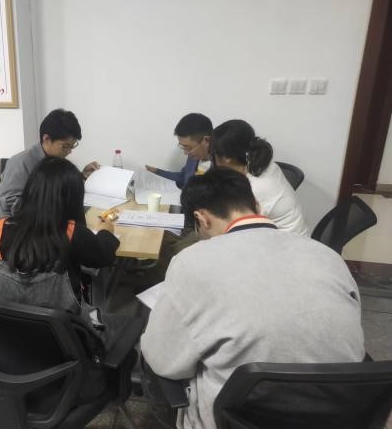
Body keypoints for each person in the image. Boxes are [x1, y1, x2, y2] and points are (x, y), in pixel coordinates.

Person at [141, 168, 365, 429]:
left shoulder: (192, 261)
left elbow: (164, 361)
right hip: (336, 415)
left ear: (201, 219)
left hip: (235, 419)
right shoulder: (328, 256)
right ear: (257, 206)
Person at [0, 156, 120, 342]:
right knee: (118, 328)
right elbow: (104, 256)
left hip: (4, 341)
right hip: (64, 344)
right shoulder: (72, 233)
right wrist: (106, 231)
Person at [0, 108, 100, 220]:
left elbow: (60, 186)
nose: (69, 152)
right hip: (16, 225)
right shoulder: (20, 163)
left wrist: (81, 176)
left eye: (72, 146)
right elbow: (9, 205)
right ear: (46, 139)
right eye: (65, 146)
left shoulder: (55, 160)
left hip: (47, 221)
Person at [211, 119, 309, 235]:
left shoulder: (255, 188)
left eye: (213, 153)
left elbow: (234, 228)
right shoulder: (261, 165)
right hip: (279, 234)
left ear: (227, 157)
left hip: (287, 241)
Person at [145, 113, 213, 188]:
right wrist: (157, 171)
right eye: (183, 147)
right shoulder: (193, 158)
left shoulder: (220, 168)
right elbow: (183, 177)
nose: (185, 153)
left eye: (189, 148)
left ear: (207, 141)